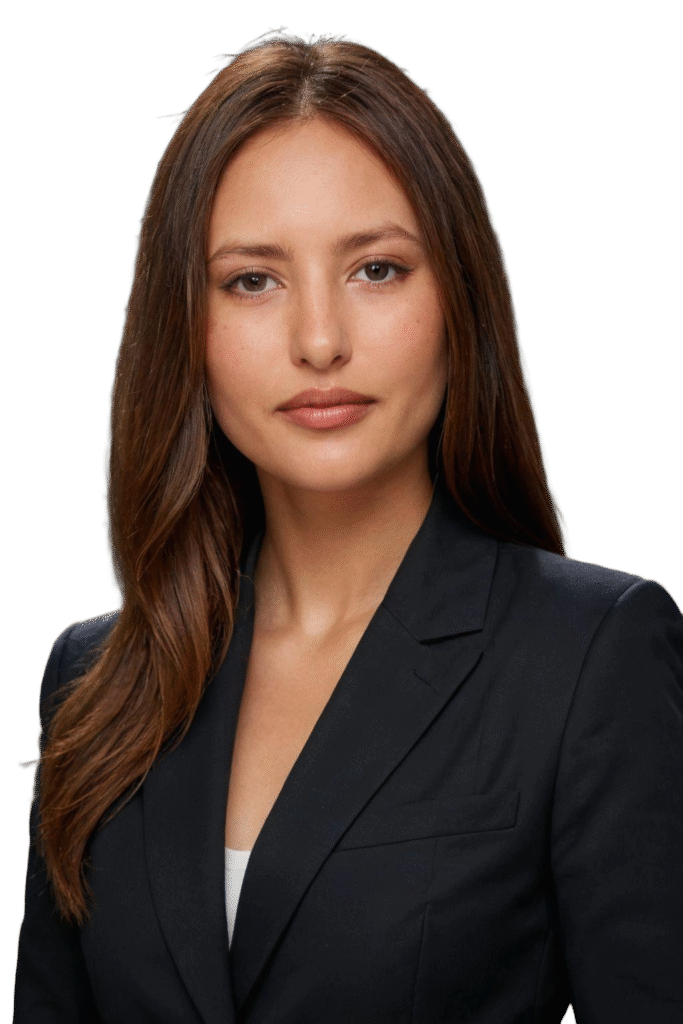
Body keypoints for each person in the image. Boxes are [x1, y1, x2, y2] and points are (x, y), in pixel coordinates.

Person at [13, 34, 683, 1024]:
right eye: (253, 279)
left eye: (375, 269)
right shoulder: (97, 677)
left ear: (457, 298)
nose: (319, 340)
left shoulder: (588, 655)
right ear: (185, 324)